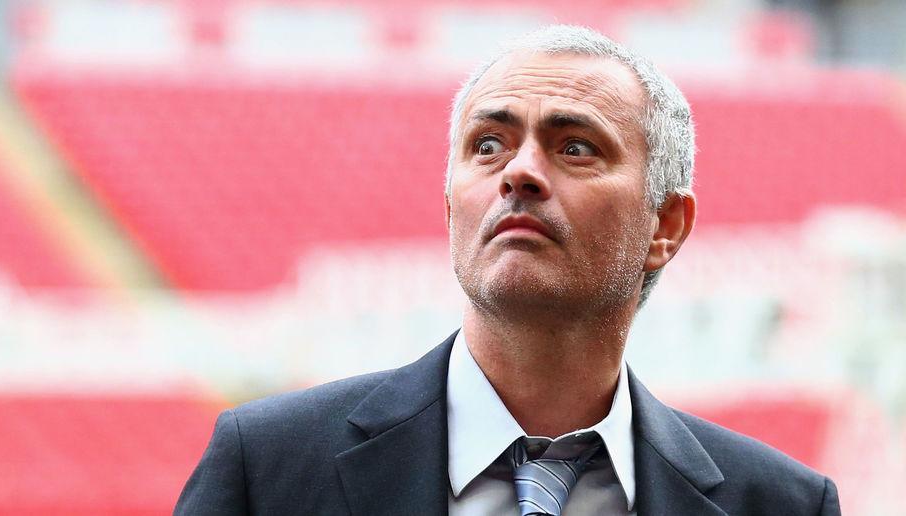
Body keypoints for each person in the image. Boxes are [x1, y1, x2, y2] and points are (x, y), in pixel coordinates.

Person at [175, 25, 840, 515]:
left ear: (664, 228)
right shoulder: (265, 470)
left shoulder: (781, 503)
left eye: (574, 146)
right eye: (487, 144)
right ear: (449, 207)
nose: (518, 171)